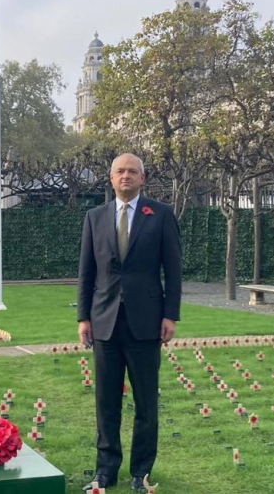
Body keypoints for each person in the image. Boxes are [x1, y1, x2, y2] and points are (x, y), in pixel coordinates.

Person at [76, 153, 181, 492]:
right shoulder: (94, 217)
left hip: (146, 323)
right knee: (106, 403)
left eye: (132, 172)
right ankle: (105, 471)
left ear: (142, 178)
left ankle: (141, 472)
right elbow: (85, 272)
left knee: (146, 403)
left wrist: (170, 314)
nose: (126, 176)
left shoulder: (161, 215)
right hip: (104, 322)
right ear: (110, 178)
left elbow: (174, 271)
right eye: (120, 171)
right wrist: (83, 317)